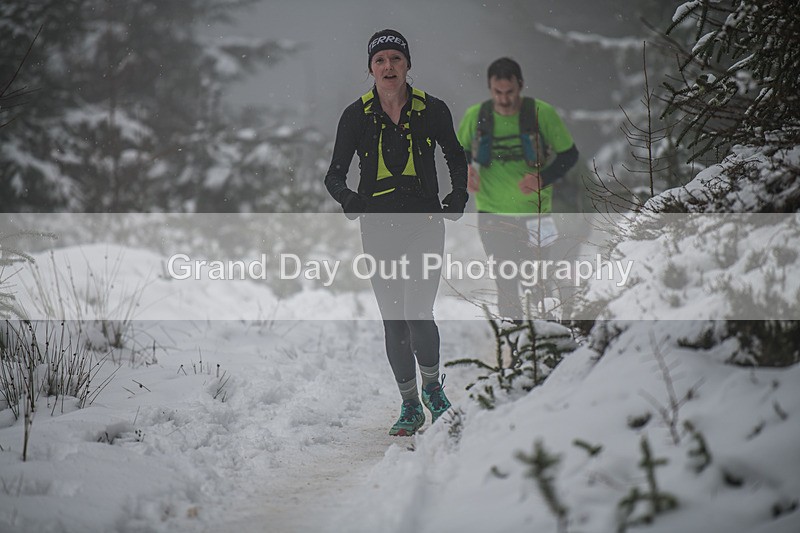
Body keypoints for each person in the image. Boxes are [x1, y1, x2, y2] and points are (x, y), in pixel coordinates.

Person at [324, 29, 468, 436]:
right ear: (370, 68)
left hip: (424, 224)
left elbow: (455, 155)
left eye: (396, 59)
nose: (389, 67)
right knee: (394, 321)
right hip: (378, 227)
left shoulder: (432, 109)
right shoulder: (355, 115)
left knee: (418, 313)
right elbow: (334, 174)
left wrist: (458, 193)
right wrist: (347, 198)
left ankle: (433, 391)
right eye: (380, 60)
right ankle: (409, 405)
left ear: (407, 64)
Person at [456, 57, 579, 321]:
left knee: (538, 281)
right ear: (490, 89)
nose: (503, 99)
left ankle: (547, 340)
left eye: (509, 92)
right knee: (506, 281)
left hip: (537, 213)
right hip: (492, 213)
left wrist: (543, 178)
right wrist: (466, 169)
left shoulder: (540, 113)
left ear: (520, 85)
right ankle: (516, 343)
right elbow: (457, 151)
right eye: (497, 92)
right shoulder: (477, 116)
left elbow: (569, 154)